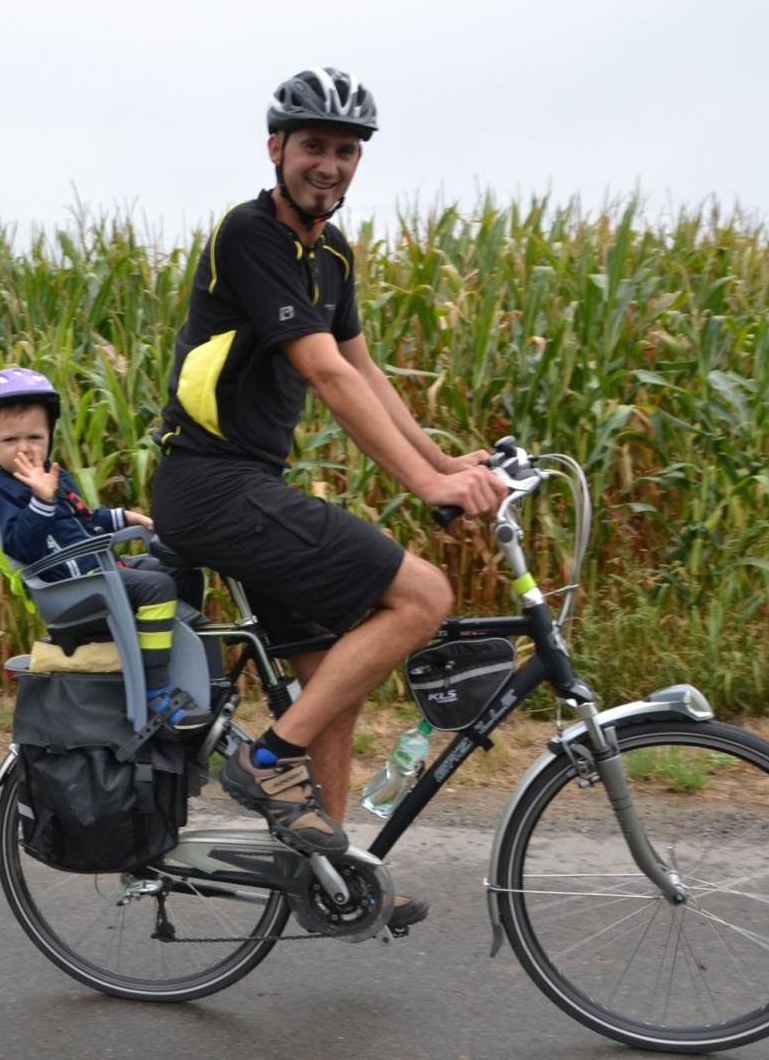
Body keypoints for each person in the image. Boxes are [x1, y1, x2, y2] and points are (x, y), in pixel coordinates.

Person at [149, 68, 509, 924]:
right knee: (423, 593)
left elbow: (361, 367)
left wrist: (441, 457)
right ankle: (265, 761)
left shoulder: (333, 254)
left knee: (330, 684)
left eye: (346, 152)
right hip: (208, 485)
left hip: (249, 486)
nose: (331, 165)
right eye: (314, 147)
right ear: (276, 148)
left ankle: (331, 878)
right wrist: (425, 484)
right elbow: (318, 368)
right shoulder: (250, 236)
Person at [0, 366, 211, 734]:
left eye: (34, 437)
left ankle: (183, 649)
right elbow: (21, 544)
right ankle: (157, 690)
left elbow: (82, 517)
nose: (24, 449)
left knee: (179, 571)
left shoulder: (51, 474)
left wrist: (123, 517)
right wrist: (40, 500)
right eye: (10, 440)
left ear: (49, 436)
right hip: (72, 587)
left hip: (96, 569)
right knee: (155, 589)